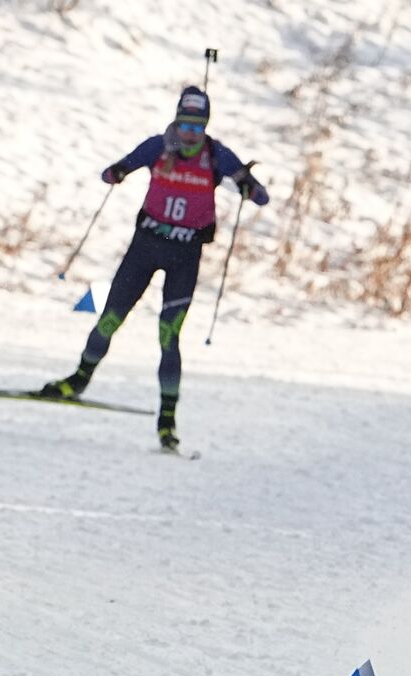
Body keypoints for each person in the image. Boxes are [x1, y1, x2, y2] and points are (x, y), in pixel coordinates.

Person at [41, 86, 269, 450]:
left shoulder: (216, 155)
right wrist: (117, 172)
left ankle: (167, 421)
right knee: (110, 318)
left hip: (185, 256)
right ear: (176, 122)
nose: (190, 134)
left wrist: (245, 184)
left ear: (205, 127)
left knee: (168, 336)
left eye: (197, 127)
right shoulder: (158, 146)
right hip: (145, 248)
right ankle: (77, 380)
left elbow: (261, 197)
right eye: (184, 125)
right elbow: (112, 171)